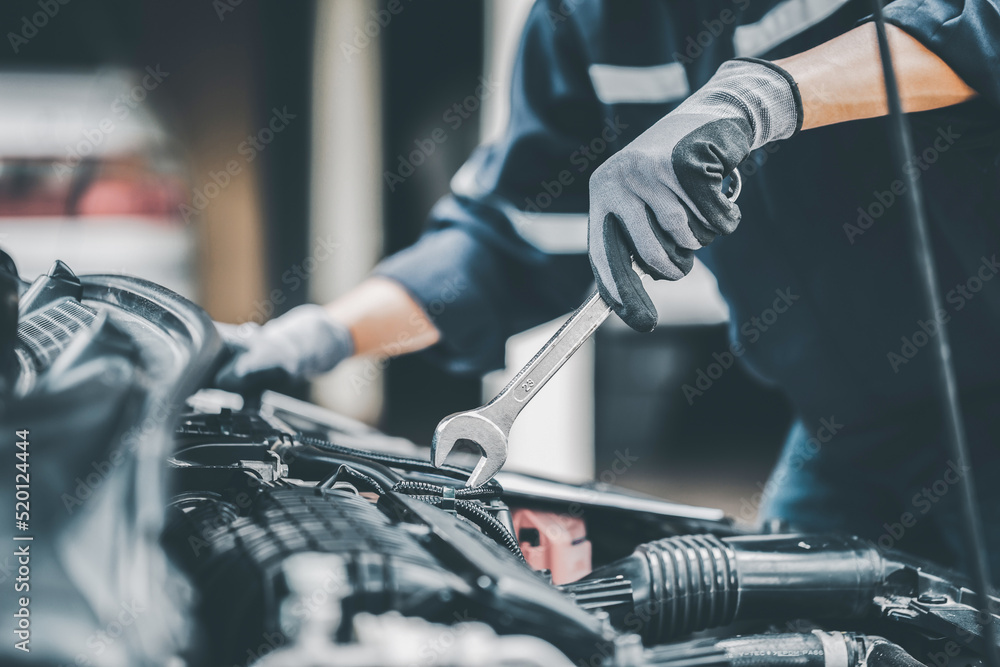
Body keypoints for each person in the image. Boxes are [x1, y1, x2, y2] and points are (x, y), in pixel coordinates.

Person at [216, 0, 1000, 574]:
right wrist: (314, 337)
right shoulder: (586, 24)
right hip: (851, 430)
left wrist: (760, 98)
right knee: (769, 617)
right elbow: (502, 245)